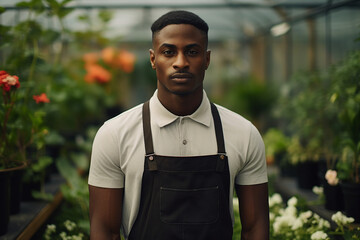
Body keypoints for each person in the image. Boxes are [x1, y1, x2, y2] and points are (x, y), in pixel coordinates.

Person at [88, 10, 269, 240]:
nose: (181, 62)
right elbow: (105, 231)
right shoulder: (114, 134)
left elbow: (255, 229)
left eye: (192, 52)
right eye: (168, 52)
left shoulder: (244, 133)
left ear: (207, 59)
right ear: (153, 59)